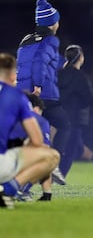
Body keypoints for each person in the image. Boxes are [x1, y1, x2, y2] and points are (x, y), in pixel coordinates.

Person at [15, 0, 69, 185]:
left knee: (30, 137)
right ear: (53, 23)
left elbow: (25, 63)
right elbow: (39, 62)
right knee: (63, 125)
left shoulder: (26, 39)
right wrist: (38, 85)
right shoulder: (51, 41)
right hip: (43, 95)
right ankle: (53, 166)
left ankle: (22, 186)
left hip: (22, 94)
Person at [0, 52, 61, 209]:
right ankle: (8, 190)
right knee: (51, 156)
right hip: (2, 164)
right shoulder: (17, 96)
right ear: (13, 76)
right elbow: (37, 140)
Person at [56, 44, 93, 182]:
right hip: (75, 119)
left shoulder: (58, 74)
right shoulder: (81, 77)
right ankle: (56, 180)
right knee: (70, 151)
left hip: (58, 118)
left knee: (75, 146)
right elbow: (90, 100)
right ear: (81, 58)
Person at [8, 92, 55, 201]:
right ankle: (18, 189)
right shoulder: (38, 121)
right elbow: (45, 152)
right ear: (36, 109)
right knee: (45, 158)